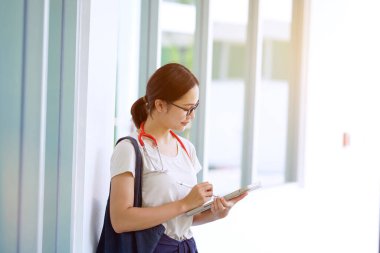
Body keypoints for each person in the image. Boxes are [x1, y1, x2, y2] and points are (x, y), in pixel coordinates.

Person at [109, 63, 247, 252]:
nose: (192, 116)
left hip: (186, 246)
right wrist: (184, 204)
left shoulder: (186, 149)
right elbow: (120, 220)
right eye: (187, 108)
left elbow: (185, 217)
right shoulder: (130, 149)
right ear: (159, 105)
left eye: (195, 107)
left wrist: (216, 213)